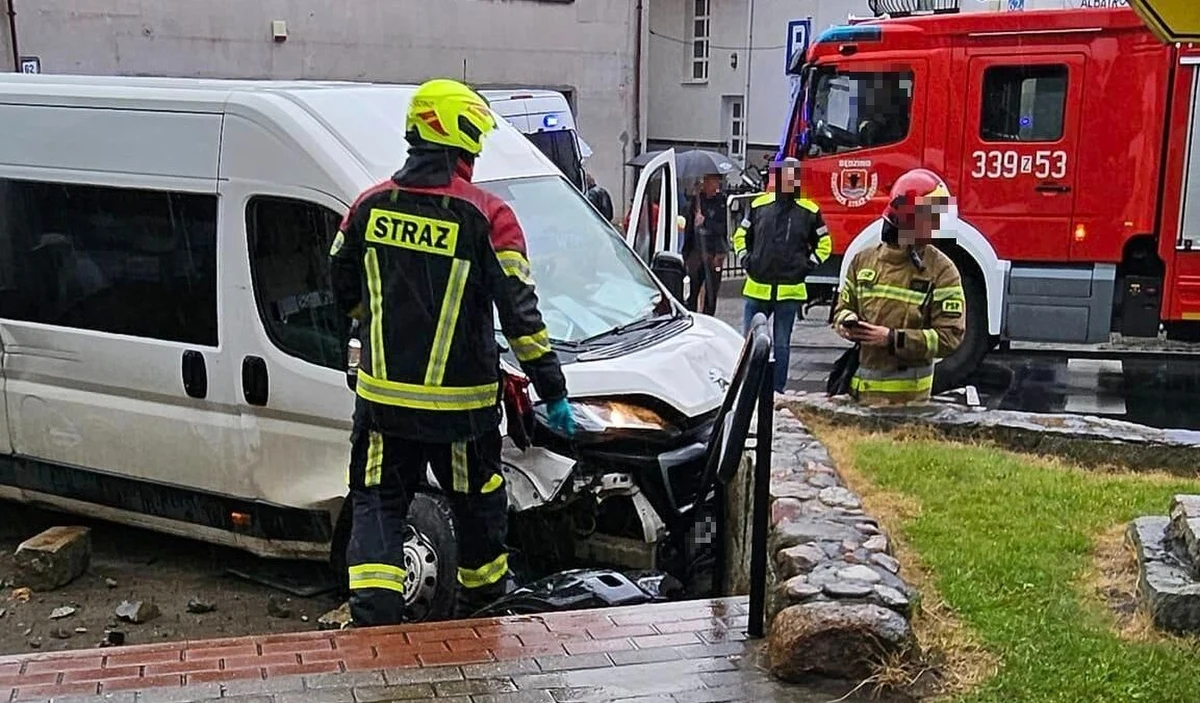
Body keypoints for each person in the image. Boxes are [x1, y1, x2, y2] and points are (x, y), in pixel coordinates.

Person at [329, 78, 578, 626]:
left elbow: (343, 290)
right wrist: (552, 390)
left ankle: (375, 627)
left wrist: (381, 330)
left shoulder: (366, 208)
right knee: (477, 505)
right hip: (461, 412)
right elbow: (522, 318)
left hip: (382, 406)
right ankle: (481, 617)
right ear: (460, 134)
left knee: (376, 504)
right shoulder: (489, 217)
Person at [832, 168, 966, 405]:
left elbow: (949, 338)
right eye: (929, 216)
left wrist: (892, 339)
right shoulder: (862, 261)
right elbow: (841, 308)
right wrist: (846, 322)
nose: (935, 225)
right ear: (905, 218)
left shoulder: (942, 271)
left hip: (910, 405)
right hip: (860, 399)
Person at [732, 157, 832, 394]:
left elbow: (825, 243)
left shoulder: (809, 210)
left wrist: (808, 266)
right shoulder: (758, 206)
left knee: (782, 345)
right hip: (757, 287)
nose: (787, 180)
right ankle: (749, 389)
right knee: (750, 344)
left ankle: (777, 392)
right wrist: (746, 259)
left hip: (789, 290)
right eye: (783, 175)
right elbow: (740, 236)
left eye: (792, 176)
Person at [682, 174, 729, 316]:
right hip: (696, 253)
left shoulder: (721, 202)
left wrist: (705, 221)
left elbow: (722, 229)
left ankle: (709, 317)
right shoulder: (696, 202)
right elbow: (688, 229)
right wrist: (686, 253)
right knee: (693, 290)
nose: (715, 186)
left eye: (717, 182)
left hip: (714, 252)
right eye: (711, 182)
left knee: (711, 293)